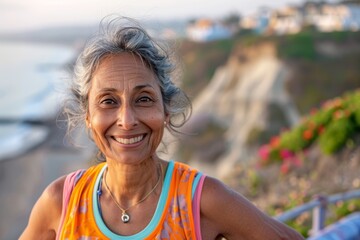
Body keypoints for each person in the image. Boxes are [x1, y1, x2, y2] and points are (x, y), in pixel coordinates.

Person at [20, 17, 304, 239]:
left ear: (166, 110)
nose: (127, 120)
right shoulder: (61, 202)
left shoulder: (200, 199)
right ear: (87, 117)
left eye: (144, 99)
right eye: (108, 101)